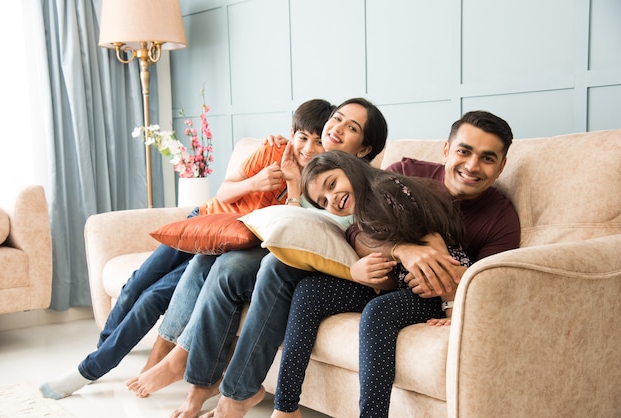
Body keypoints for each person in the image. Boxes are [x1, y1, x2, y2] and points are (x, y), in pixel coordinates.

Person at [39, 98, 336, 400]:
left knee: (154, 297)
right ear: (292, 132)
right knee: (135, 285)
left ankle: (88, 370)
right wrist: (255, 183)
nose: (308, 148)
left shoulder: (316, 183)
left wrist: (295, 186)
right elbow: (223, 191)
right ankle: (102, 353)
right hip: (202, 222)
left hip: (222, 247)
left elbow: (289, 226)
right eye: (302, 137)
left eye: (317, 141)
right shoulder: (272, 150)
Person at [124, 98, 389, 418]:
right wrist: (292, 178)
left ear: (364, 148)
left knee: (269, 267)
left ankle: (232, 394)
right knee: (222, 264)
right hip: (290, 248)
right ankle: (200, 382)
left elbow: (360, 236)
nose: (336, 128)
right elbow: (294, 222)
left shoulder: (368, 184)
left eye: (351, 128)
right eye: (337, 119)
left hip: (320, 265)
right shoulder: (318, 168)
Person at [271, 110, 520, 418]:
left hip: (430, 290)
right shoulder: (400, 174)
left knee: (379, 312)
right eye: (464, 151)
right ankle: (285, 408)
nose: (471, 166)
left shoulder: (392, 190)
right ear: (446, 150)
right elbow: (356, 234)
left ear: (501, 166)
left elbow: (477, 274)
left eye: (486, 158)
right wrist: (370, 265)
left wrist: (452, 306)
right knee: (310, 290)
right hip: (395, 281)